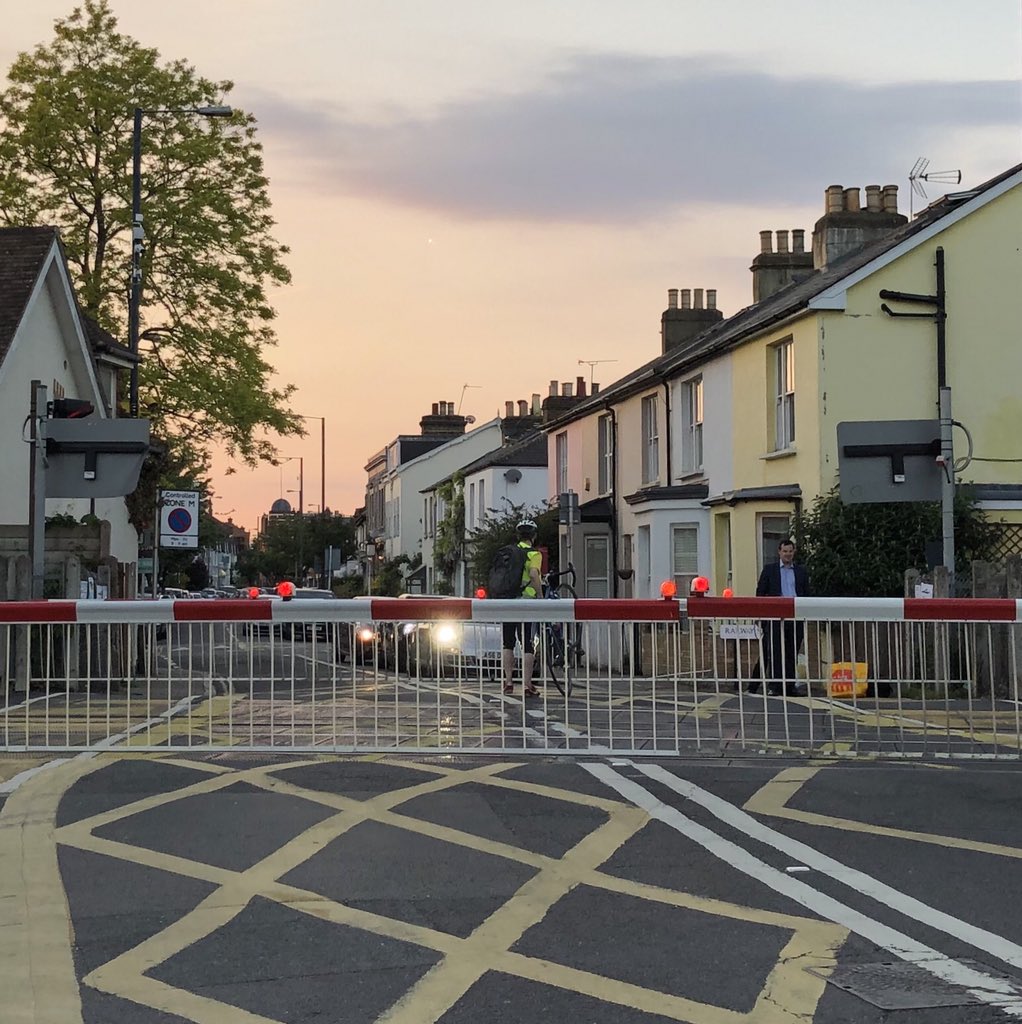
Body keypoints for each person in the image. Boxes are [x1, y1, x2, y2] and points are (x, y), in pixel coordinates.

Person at [750, 537, 810, 696]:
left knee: (792, 652)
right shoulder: (770, 570)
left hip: (795, 616)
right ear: (779, 552)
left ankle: (789, 686)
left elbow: (806, 592)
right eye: (785, 551)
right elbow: (760, 593)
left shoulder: (801, 571)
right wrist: (761, 615)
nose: (788, 554)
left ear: (794, 552)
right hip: (775, 616)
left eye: (790, 551)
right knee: (775, 651)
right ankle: (775, 686)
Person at [501, 519, 544, 697]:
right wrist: (540, 595)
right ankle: (527, 685)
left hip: (508, 600)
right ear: (534, 536)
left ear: (518, 536)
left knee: (508, 642)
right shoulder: (534, 554)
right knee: (527, 643)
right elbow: (534, 574)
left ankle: (509, 682)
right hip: (526, 600)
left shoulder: (510, 552)